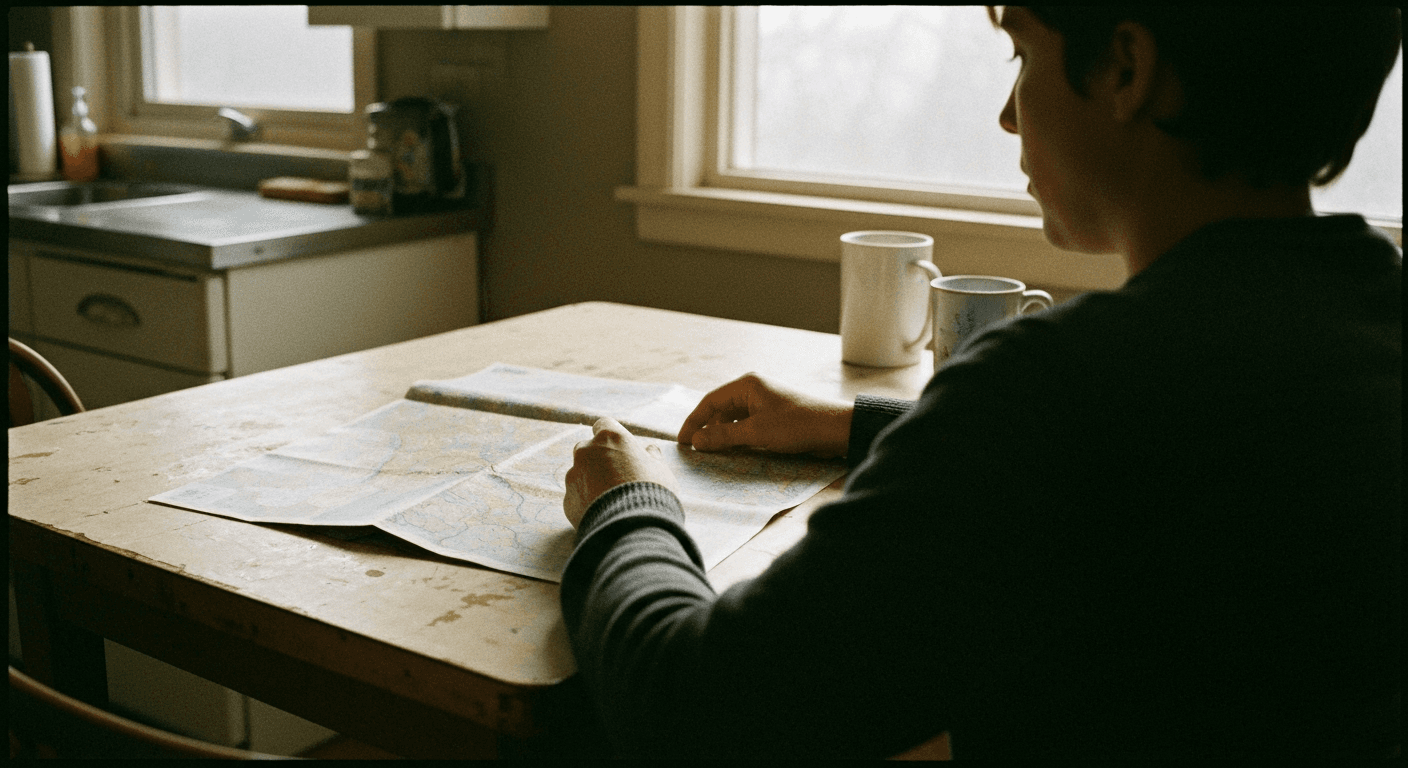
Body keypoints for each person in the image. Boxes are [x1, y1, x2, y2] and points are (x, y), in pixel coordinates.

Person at [559, 6, 1402, 759]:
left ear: (1126, 69)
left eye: (1023, 56)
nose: (1005, 114)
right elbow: (1173, 455)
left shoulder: (1054, 388)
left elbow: (690, 707)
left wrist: (627, 502)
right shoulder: (1366, 323)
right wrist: (856, 425)